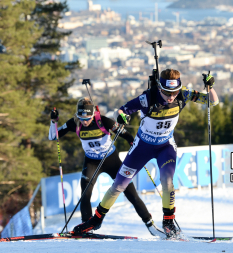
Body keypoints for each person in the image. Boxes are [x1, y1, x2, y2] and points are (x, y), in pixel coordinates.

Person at [73, 69, 219, 238]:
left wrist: (210, 87)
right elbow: (121, 110)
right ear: (159, 87)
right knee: (119, 185)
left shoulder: (184, 94)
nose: (171, 97)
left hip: (165, 146)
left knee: (168, 181)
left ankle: (168, 222)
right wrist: (121, 118)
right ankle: (96, 220)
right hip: (142, 147)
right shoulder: (147, 98)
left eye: (174, 92)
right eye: (166, 92)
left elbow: (212, 102)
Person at [48, 97, 164, 236]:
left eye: (88, 118)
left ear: (93, 114)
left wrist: (132, 142)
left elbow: (126, 135)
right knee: (85, 194)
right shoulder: (75, 123)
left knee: (131, 193)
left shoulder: (103, 121)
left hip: (111, 160)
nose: (85, 122)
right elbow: (54, 136)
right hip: (91, 161)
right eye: (82, 118)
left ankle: (150, 225)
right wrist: (53, 122)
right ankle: (87, 225)